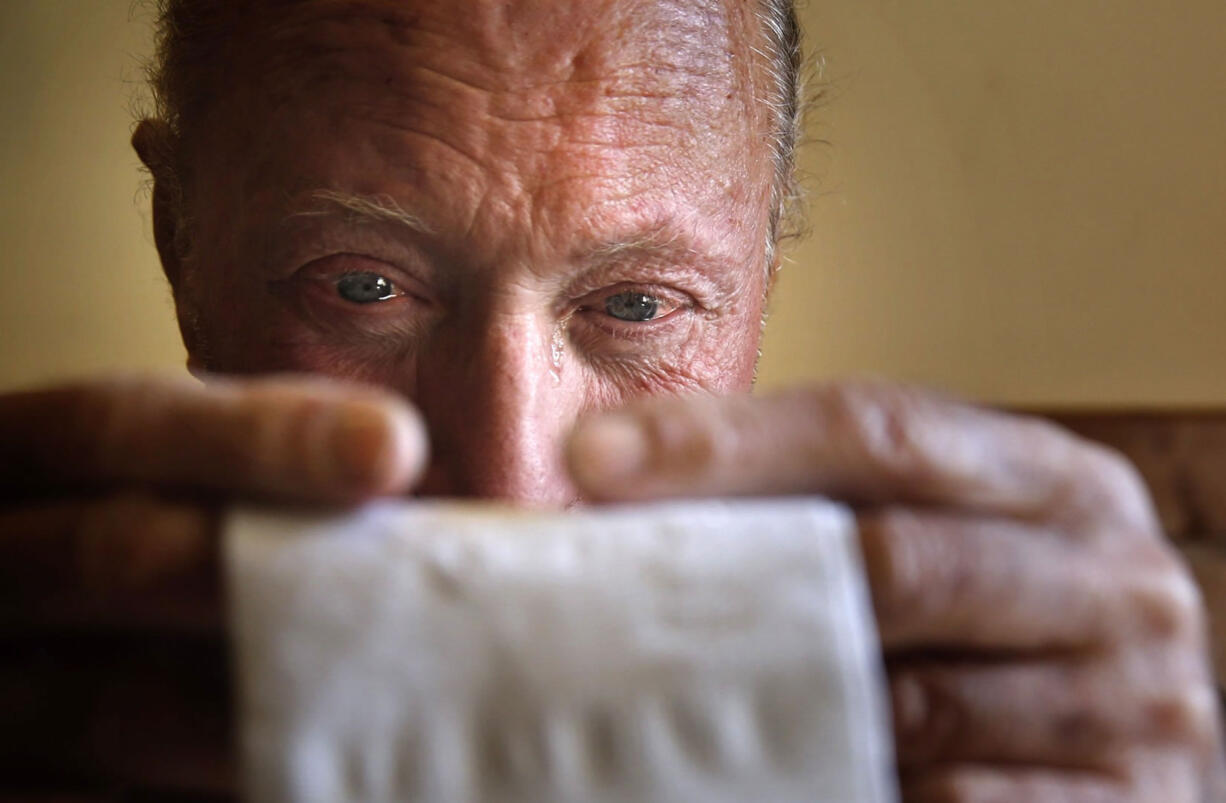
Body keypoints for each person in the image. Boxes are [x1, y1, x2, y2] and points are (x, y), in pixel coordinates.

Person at [0, 0, 1220, 799]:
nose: (508, 488)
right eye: (360, 286)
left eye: (635, 307)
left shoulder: (942, 728)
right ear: (179, 238)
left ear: (762, 268)